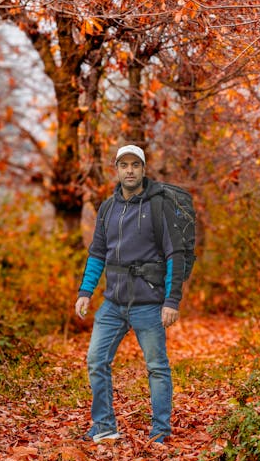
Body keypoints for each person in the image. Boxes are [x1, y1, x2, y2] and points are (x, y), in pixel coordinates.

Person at [75, 144, 186, 444]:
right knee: (96, 360)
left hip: (148, 304)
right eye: (124, 165)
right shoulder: (108, 208)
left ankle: (160, 431)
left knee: (157, 368)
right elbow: (98, 253)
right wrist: (86, 291)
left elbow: (175, 254)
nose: (130, 170)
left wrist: (171, 300)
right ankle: (104, 426)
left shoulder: (159, 206)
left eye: (135, 165)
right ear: (117, 169)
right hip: (113, 303)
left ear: (143, 169)